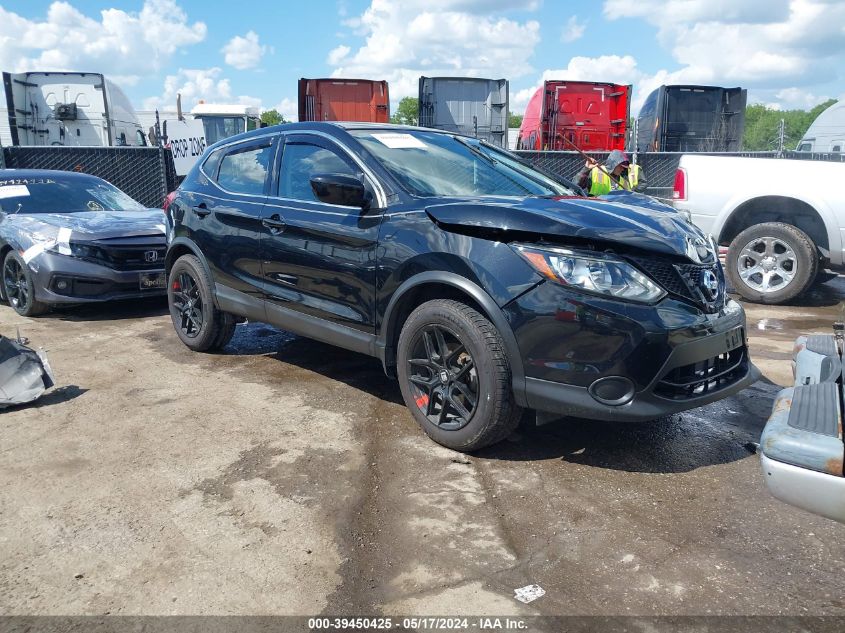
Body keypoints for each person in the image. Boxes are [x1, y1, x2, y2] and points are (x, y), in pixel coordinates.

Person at [576, 149, 646, 196]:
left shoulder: (624, 182)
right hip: (596, 209)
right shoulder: (596, 172)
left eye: (624, 168)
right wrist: (585, 170)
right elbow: (576, 186)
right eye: (621, 167)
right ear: (614, 164)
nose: (622, 169)